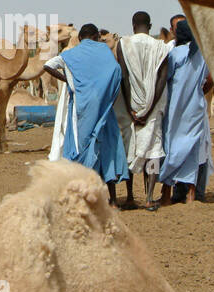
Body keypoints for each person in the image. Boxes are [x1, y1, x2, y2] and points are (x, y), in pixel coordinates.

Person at [44, 22, 128, 200]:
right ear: (97, 37)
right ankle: (112, 200)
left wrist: (68, 80)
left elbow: (48, 65)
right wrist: (108, 94)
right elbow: (116, 71)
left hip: (81, 109)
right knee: (107, 147)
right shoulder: (104, 51)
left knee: (81, 147)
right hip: (104, 108)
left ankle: (84, 196)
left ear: (80, 38)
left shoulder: (70, 54)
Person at [114, 11, 169, 210]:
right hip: (152, 107)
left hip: (130, 108)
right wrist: (149, 109)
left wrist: (130, 108)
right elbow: (162, 79)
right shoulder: (161, 47)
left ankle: (129, 196)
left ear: (133, 25)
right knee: (153, 149)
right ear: (151, 25)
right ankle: (149, 197)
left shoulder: (123, 44)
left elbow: (124, 76)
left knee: (130, 147)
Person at [160, 18, 214, 204]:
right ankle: (191, 195)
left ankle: (166, 193)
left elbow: (166, 79)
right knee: (192, 148)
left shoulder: (175, 54)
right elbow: (207, 79)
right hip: (195, 108)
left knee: (172, 147)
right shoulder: (201, 55)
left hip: (177, 107)